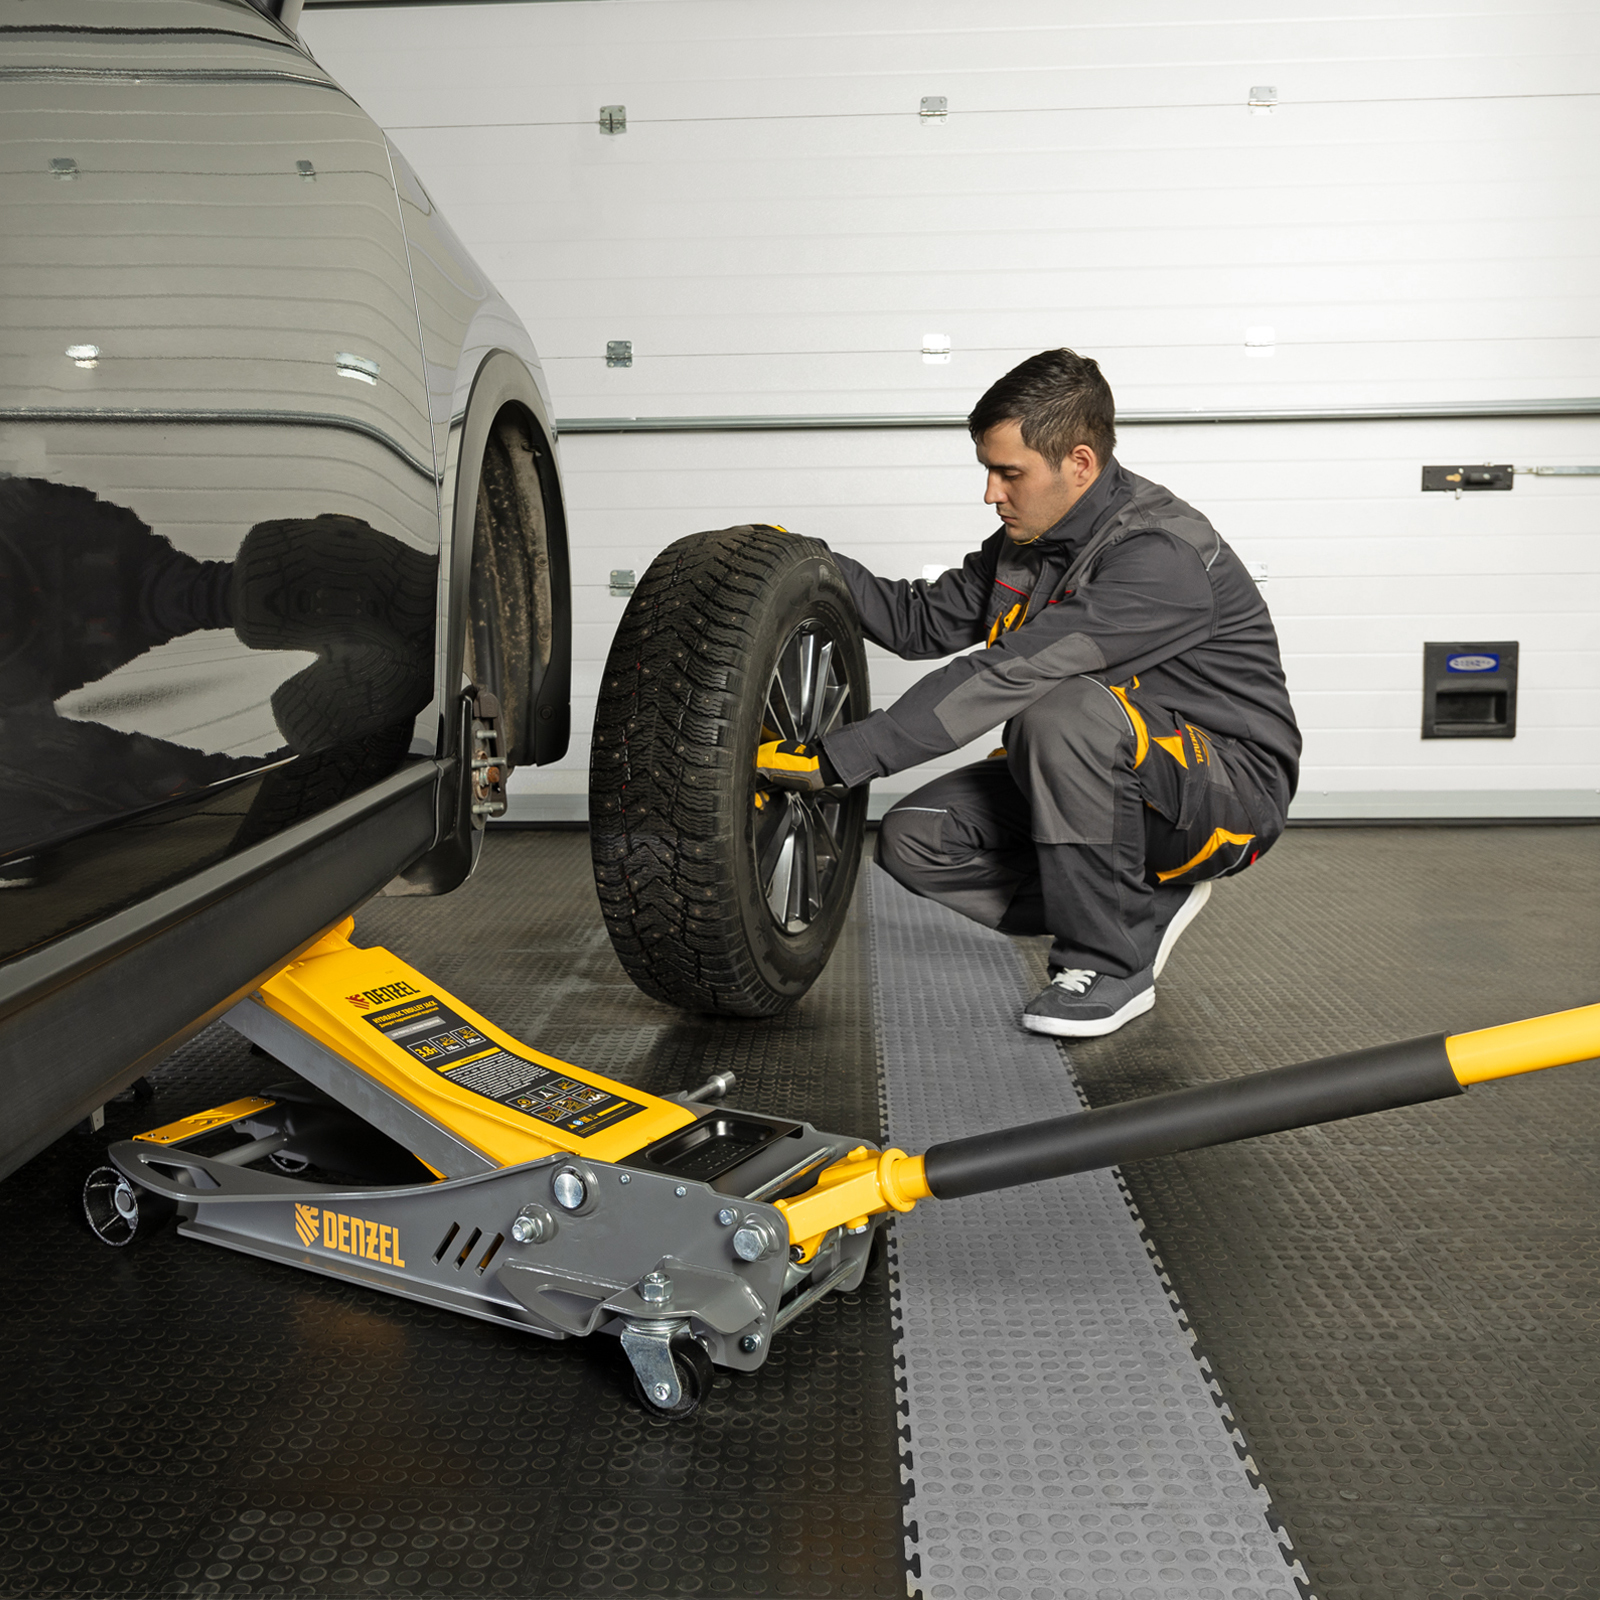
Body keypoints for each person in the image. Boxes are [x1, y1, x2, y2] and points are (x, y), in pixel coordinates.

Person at [755, 348, 1301, 1038]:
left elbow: (1013, 671)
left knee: (1058, 709)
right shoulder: (1027, 543)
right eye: (987, 470)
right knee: (915, 839)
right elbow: (919, 621)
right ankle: (1136, 903)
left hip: (1225, 791)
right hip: (1110, 770)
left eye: (1009, 473)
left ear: (1080, 462)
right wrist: (812, 563)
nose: (991, 493)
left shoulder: (1161, 555)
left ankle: (1110, 962)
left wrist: (841, 758)